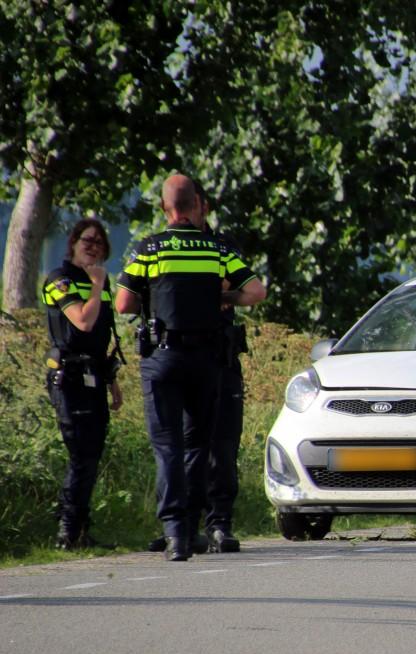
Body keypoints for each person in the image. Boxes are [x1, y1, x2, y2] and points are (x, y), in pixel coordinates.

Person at [115, 174, 266, 561]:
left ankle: (175, 533)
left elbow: (123, 304)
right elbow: (255, 292)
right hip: (207, 360)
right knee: (199, 446)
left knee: (168, 447)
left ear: (165, 208)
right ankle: (198, 525)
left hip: (163, 358)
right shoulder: (216, 249)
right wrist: (219, 296)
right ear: (197, 205)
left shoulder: (151, 249)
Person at [146, 182, 248, 554]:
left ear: (202, 206)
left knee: (219, 445)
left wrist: (203, 294)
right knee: (185, 444)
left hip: (218, 355)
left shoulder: (222, 246)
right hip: (180, 353)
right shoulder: (161, 247)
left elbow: (239, 287)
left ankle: (219, 521)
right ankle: (184, 526)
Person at [41, 219, 123, 549]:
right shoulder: (58, 280)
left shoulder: (95, 284)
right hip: (68, 377)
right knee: (80, 452)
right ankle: (66, 529)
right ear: (73, 243)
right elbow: (84, 323)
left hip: (94, 376)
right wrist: (98, 283)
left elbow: (102, 338)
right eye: (86, 240)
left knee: (92, 453)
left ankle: (79, 528)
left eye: (99, 243)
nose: (92, 246)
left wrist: (113, 382)